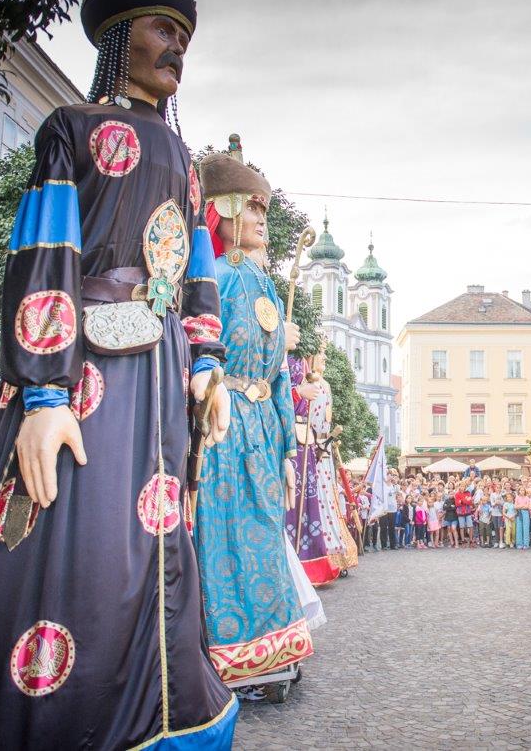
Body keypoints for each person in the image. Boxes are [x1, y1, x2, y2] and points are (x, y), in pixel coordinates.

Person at [0, 0, 239, 750]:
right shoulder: (70, 129)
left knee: (151, 554)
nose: (177, 45)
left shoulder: (184, 159)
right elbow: (45, 255)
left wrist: (206, 357)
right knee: (73, 544)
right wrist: (42, 397)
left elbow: (196, 269)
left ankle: (156, 717)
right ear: (119, 39)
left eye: (184, 35)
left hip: (160, 385)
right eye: (161, 28)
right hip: (85, 374)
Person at [193, 143, 315, 695]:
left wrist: (289, 448)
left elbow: (283, 378)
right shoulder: (210, 280)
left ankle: (271, 652)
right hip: (222, 425)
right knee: (222, 540)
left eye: (266, 211)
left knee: (264, 534)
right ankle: (223, 656)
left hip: (264, 431)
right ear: (221, 210)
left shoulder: (265, 284)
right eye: (254, 209)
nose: (264, 222)